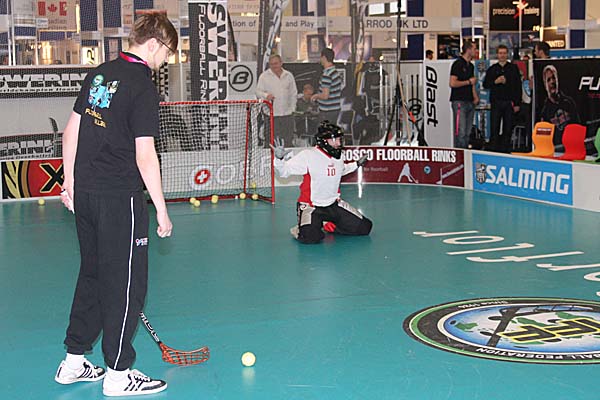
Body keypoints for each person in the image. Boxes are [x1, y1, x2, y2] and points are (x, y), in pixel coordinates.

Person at [54, 12, 176, 397]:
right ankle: (119, 374)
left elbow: (71, 132)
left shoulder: (100, 74)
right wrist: (161, 209)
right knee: (125, 285)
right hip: (119, 198)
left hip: (87, 194)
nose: (166, 61)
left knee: (92, 275)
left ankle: (74, 362)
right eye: (167, 52)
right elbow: (145, 155)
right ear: (154, 44)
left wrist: (70, 183)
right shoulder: (142, 85)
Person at [271, 121, 372, 244]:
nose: (338, 143)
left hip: (333, 204)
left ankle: (327, 224)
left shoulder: (339, 155)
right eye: (334, 140)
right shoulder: (308, 156)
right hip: (311, 206)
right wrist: (279, 159)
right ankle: (300, 229)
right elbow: (284, 172)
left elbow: (341, 170)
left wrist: (356, 164)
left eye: (339, 139)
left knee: (365, 227)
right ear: (324, 141)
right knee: (311, 237)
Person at [483, 45, 522, 153]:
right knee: (494, 127)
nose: (502, 55)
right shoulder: (492, 69)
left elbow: (518, 87)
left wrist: (517, 103)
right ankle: (494, 150)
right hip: (496, 102)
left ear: (507, 54)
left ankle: (506, 151)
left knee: (508, 128)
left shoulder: (513, 68)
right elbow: (486, 84)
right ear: (497, 55)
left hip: (509, 102)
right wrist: (495, 82)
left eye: (504, 53)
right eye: (500, 53)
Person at [256, 54, 297, 146]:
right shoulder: (264, 76)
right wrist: (266, 95)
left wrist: (292, 109)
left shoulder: (289, 75)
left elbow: (293, 93)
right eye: (271, 64)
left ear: (281, 63)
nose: (274, 66)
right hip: (271, 115)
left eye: (276, 63)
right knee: (270, 142)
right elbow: (258, 92)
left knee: (288, 141)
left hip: (287, 115)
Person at [539, 64, 580, 147]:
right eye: (548, 80)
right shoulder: (544, 110)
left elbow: (578, 127)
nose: (552, 82)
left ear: (557, 80)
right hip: (554, 148)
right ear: (545, 84)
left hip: (572, 146)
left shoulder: (569, 102)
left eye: (554, 78)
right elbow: (543, 137)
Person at [449, 40, 479, 149]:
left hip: (469, 101)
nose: (476, 51)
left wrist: (475, 96)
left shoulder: (470, 66)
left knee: (467, 132)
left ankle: (466, 153)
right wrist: (468, 82)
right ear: (468, 49)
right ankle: (460, 154)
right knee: (460, 132)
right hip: (459, 102)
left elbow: (472, 83)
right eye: (474, 48)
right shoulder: (457, 64)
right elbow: (452, 83)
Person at [311, 48, 343, 124]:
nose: (320, 60)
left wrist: (315, 96)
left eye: (321, 57)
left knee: (324, 131)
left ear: (324, 58)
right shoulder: (335, 72)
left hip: (327, 110)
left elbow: (325, 96)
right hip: (335, 109)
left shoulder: (327, 75)